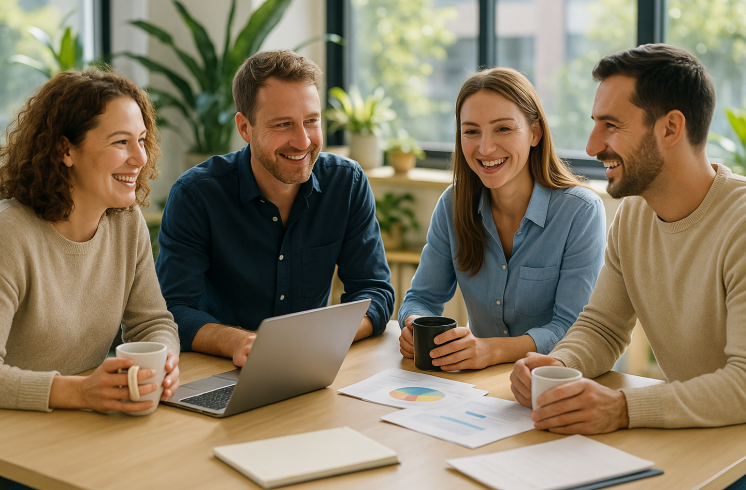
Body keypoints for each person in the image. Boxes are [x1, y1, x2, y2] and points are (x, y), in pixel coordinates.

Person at [510, 43, 746, 436]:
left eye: (611, 125)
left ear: (671, 128)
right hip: (702, 439)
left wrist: (622, 408)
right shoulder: (634, 215)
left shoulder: (739, 224)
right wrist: (561, 365)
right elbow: (603, 328)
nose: (591, 146)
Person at [155, 50, 394, 366]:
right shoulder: (196, 195)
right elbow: (173, 308)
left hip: (309, 366)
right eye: (283, 124)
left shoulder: (346, 182)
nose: (303, 141)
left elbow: (374, 292)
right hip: (219, 368)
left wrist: (321, 339)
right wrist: (239, 342)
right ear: (245, 128)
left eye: (311, 121)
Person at [0, 69, 180, 416]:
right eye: (121, 142)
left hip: (77, 425)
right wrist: (79, 392)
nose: (140, 158)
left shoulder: (126, 222)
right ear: (64, 150)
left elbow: (153, 323)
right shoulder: (6, 234)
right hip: (0, 442)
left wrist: (160, 362)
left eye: (142, 140)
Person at [398, 67, 606, 371]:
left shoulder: (580, 211)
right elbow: (421, 298)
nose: (485, 148)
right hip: (479, 386)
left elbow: (571, 328)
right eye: (471, 131)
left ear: (535, 133)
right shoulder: (452, 205)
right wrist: (415, 325)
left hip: (556, 381)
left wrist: (491, 350)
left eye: (503, 129)